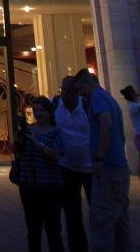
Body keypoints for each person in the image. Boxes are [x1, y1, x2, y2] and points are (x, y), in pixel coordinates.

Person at [74, 68, 131, 251]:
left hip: (108, 167)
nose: (82, 97)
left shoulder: (98, 98)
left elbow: (106, 124)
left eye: (81, 90)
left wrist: (99, 158)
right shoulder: (109, 98)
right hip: (119, 166)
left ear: (87, 84)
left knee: (101, 219)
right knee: (120, 217)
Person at [12, 97, 67, 251]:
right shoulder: (28, 130)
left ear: (50, 112)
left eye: (42, 110)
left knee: (53, 228)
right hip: (29, 183)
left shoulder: (56, 132)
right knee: (33, 228)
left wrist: (37, 143)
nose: (38, 114)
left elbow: (57, 154)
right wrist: (17, 145)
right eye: (36, 111)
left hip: (50, 185)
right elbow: (19, 153)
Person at [52, 76, 91, 252]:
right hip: (65, 166)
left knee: (97, 208)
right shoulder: (56, 106)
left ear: (77, 91)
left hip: (90, 167)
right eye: (63, 90)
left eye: (70, 91)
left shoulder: (88, 105)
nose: (66, 94)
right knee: (71, 211)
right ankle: (78, 247)